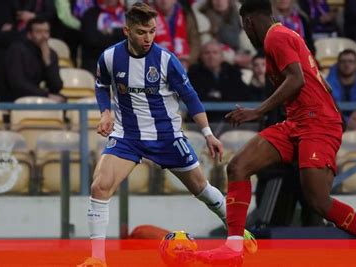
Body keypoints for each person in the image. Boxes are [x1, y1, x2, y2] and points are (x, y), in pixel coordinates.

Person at [193, 0, 356, 266]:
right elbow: (318, 82)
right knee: (238, 167)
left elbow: (297, 78)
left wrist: (259, 112)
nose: (247, 34)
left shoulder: (277, 37)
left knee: (318, 201)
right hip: (297, 121)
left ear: (248, 23)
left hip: (317, 124)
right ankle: (233, 248)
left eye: (245, 29)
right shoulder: (285, 37)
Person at [76, 3, 254, 267]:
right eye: (141, 32)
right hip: (128, 137)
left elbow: (190, 98)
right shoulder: (110, 57)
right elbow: (102, 85)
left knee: (202, 190)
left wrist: (207, 134)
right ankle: (97, 259)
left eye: (152, 31)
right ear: (127, 30)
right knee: (99, 187)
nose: (148, 38)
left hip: (167, 137)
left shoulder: (166, 60)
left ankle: (239, 233)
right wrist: (105, 113)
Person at [0, 17, 64, 102]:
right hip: (4, 95)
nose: (44, 36)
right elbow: (18, 83)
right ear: (29, 34)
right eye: (39, 32)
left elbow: (56, 87)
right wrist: (45, 95)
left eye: (46, 32)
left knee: (61, 99)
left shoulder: (50, 54)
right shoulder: (17, 50)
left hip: (28, 95)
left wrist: (48, 63)